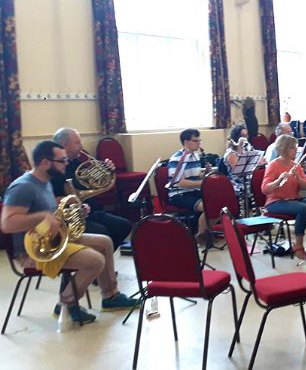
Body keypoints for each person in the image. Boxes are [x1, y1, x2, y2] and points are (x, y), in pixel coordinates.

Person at [1, 141, 139, 324]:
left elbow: (52, 213)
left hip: (53, 240)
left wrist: (76, 209)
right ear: (44, 162)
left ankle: (110, 296)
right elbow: (7, 224)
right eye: (62, 160)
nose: (66, 163)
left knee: (104, 242)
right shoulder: (23, 187)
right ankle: (66, 303)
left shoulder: (44, 182)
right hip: (34, 252)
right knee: (95, 260)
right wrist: (41, 216)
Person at [51, 127, 131, 251]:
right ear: (63, 144)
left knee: (124, 226)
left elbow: (88, 183)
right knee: (103, 233)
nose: (81, 146)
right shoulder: (54, 168)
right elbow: (57, 197)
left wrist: (106, 169)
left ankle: (103, 261)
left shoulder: (76, 161)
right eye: (77, 142)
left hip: (89, 212)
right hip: (70, 219)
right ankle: (97, 262)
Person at [260, 135, 306, 260]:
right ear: (284, 149)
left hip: (293, 199)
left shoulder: (295, 165)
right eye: (293, 148)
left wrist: (298, 178)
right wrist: (279, 180)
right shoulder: (273, 165)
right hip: (275, 202)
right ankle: (298, 245)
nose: (296, 151)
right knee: (303, 209)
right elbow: (265, 189)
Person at [167, 129, 209, 236]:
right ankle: (201, 234)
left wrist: (206, 173)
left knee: (218, 204)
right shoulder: (176, 159)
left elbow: (196, 176)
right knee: (208, 207)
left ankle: (205, 231)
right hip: (179, 194)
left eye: (199, 140)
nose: (199, 143)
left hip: (193, 191)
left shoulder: (196, 155)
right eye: (195, 141)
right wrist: (201, 183)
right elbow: (178, 183)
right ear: (186, 142)